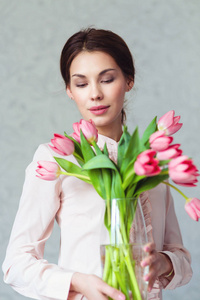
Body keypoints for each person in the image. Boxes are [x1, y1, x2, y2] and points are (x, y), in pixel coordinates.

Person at [2, 28, 192, 300]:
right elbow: (16, 264)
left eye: (107, 79)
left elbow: (182, 259)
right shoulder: (57, 158)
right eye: (81, 84)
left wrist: (164, 262)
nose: (95, 94)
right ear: (69, 90)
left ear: (128, 80)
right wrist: (78, 282)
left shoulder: (152, 161)